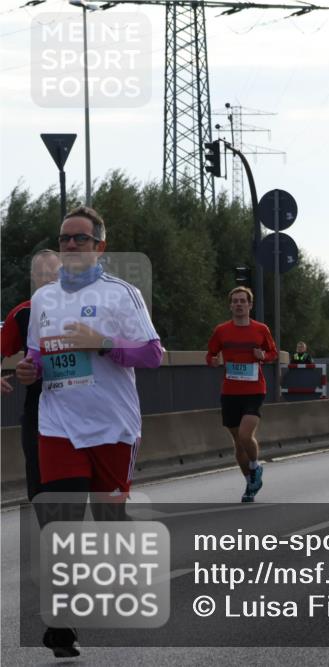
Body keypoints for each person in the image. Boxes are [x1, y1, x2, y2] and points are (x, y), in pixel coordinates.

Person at [15, 206, 163, 658]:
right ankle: (61, 624)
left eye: (80, 239)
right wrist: (28, 368)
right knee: (61, 525)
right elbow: (39, 356)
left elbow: (153, 355)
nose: (71, 246)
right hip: (58, 424)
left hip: (112, 427)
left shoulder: (122, 294)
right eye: (64, 240)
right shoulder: (43, 300)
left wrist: (100, 342)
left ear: (100, 246)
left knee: (106, 523)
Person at [206, 287, 278, 502]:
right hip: (230, 391)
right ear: (230, 305)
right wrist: (214, 361)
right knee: (238, 443)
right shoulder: (221, 331)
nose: (238, 304)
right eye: (235, 301)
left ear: (250, 305)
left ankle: (255, 467)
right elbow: (210, 354)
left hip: (254, 390)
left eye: (242, 301)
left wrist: (262, 356)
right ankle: (249, 484)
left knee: (246, 435)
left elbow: (273, 353)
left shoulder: (261, 329)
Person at [1, 250, 62, 502]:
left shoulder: (82, 307)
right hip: (38, 405)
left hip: (80, 406)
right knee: (38, 474)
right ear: (33, 278)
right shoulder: (22, 313)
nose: (47, 279)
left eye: (53, 274)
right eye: (41, 274)